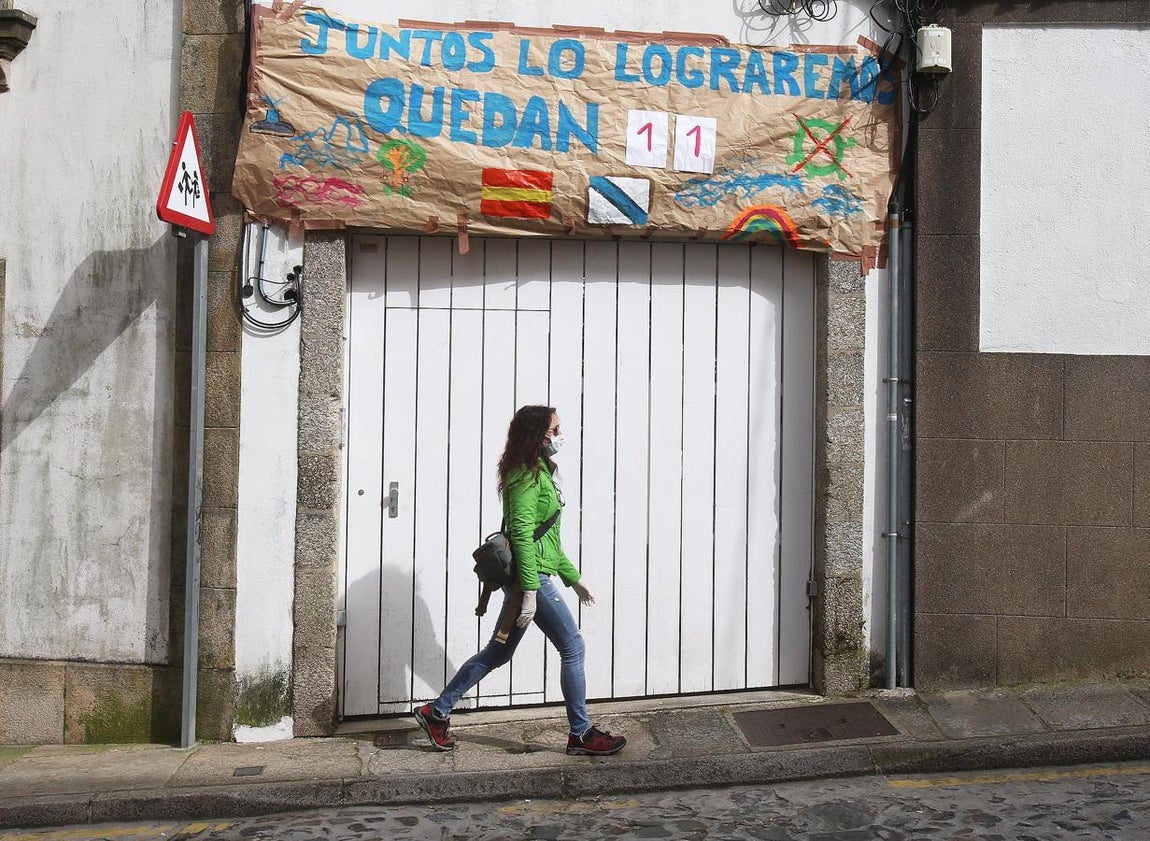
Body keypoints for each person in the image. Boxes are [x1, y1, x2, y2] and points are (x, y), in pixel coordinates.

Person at [414, 405, 627, 757]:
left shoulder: (540, 471)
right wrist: (530, 590)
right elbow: (524, 537)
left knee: (497, 652)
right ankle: (581, 733)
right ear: (537, 435)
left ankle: (435, 713)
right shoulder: (524, 477)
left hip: (536, 575)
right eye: (555, 430)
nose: (559, 436)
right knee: (573, 647)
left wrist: (574, 579)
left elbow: (548, 540)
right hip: (532, 579)